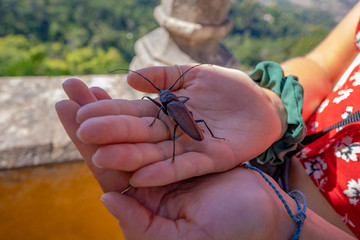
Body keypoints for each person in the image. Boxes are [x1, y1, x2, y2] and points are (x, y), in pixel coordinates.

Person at [55, 2, 360, 239]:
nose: (160, 97)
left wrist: (281, 227)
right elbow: (321, 66)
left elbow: (163, 107)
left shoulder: (166, 103)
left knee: (175, 127)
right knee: (182, 125)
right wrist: (274, 103)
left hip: (274, 203)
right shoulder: (174, 102)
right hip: (274, 163)